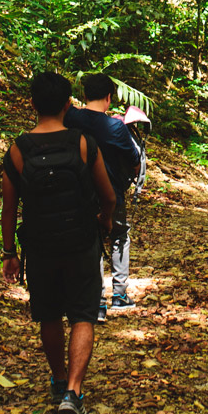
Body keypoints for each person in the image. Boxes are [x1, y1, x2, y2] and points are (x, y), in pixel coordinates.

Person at [1, 71, 115, 414]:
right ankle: (74, 392)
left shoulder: (17, 150)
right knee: (82, 313)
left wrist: (9, 253)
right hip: (81, 240)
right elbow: (108, 195)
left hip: (39, 245)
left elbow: (9, 208)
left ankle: (59, 378)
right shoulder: (82, 143)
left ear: (32, 104)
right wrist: (105, 219)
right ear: (68, 104)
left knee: (48, 314)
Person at [65, 73, 142, 320]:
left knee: (91, 243)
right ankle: (119, 295)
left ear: (85, 95)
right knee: (119, 236)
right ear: (109, 98)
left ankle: (96, 301)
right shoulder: (115, 127)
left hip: (79, 194)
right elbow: (135, 162)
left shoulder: (71, 117)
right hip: (112, 193)